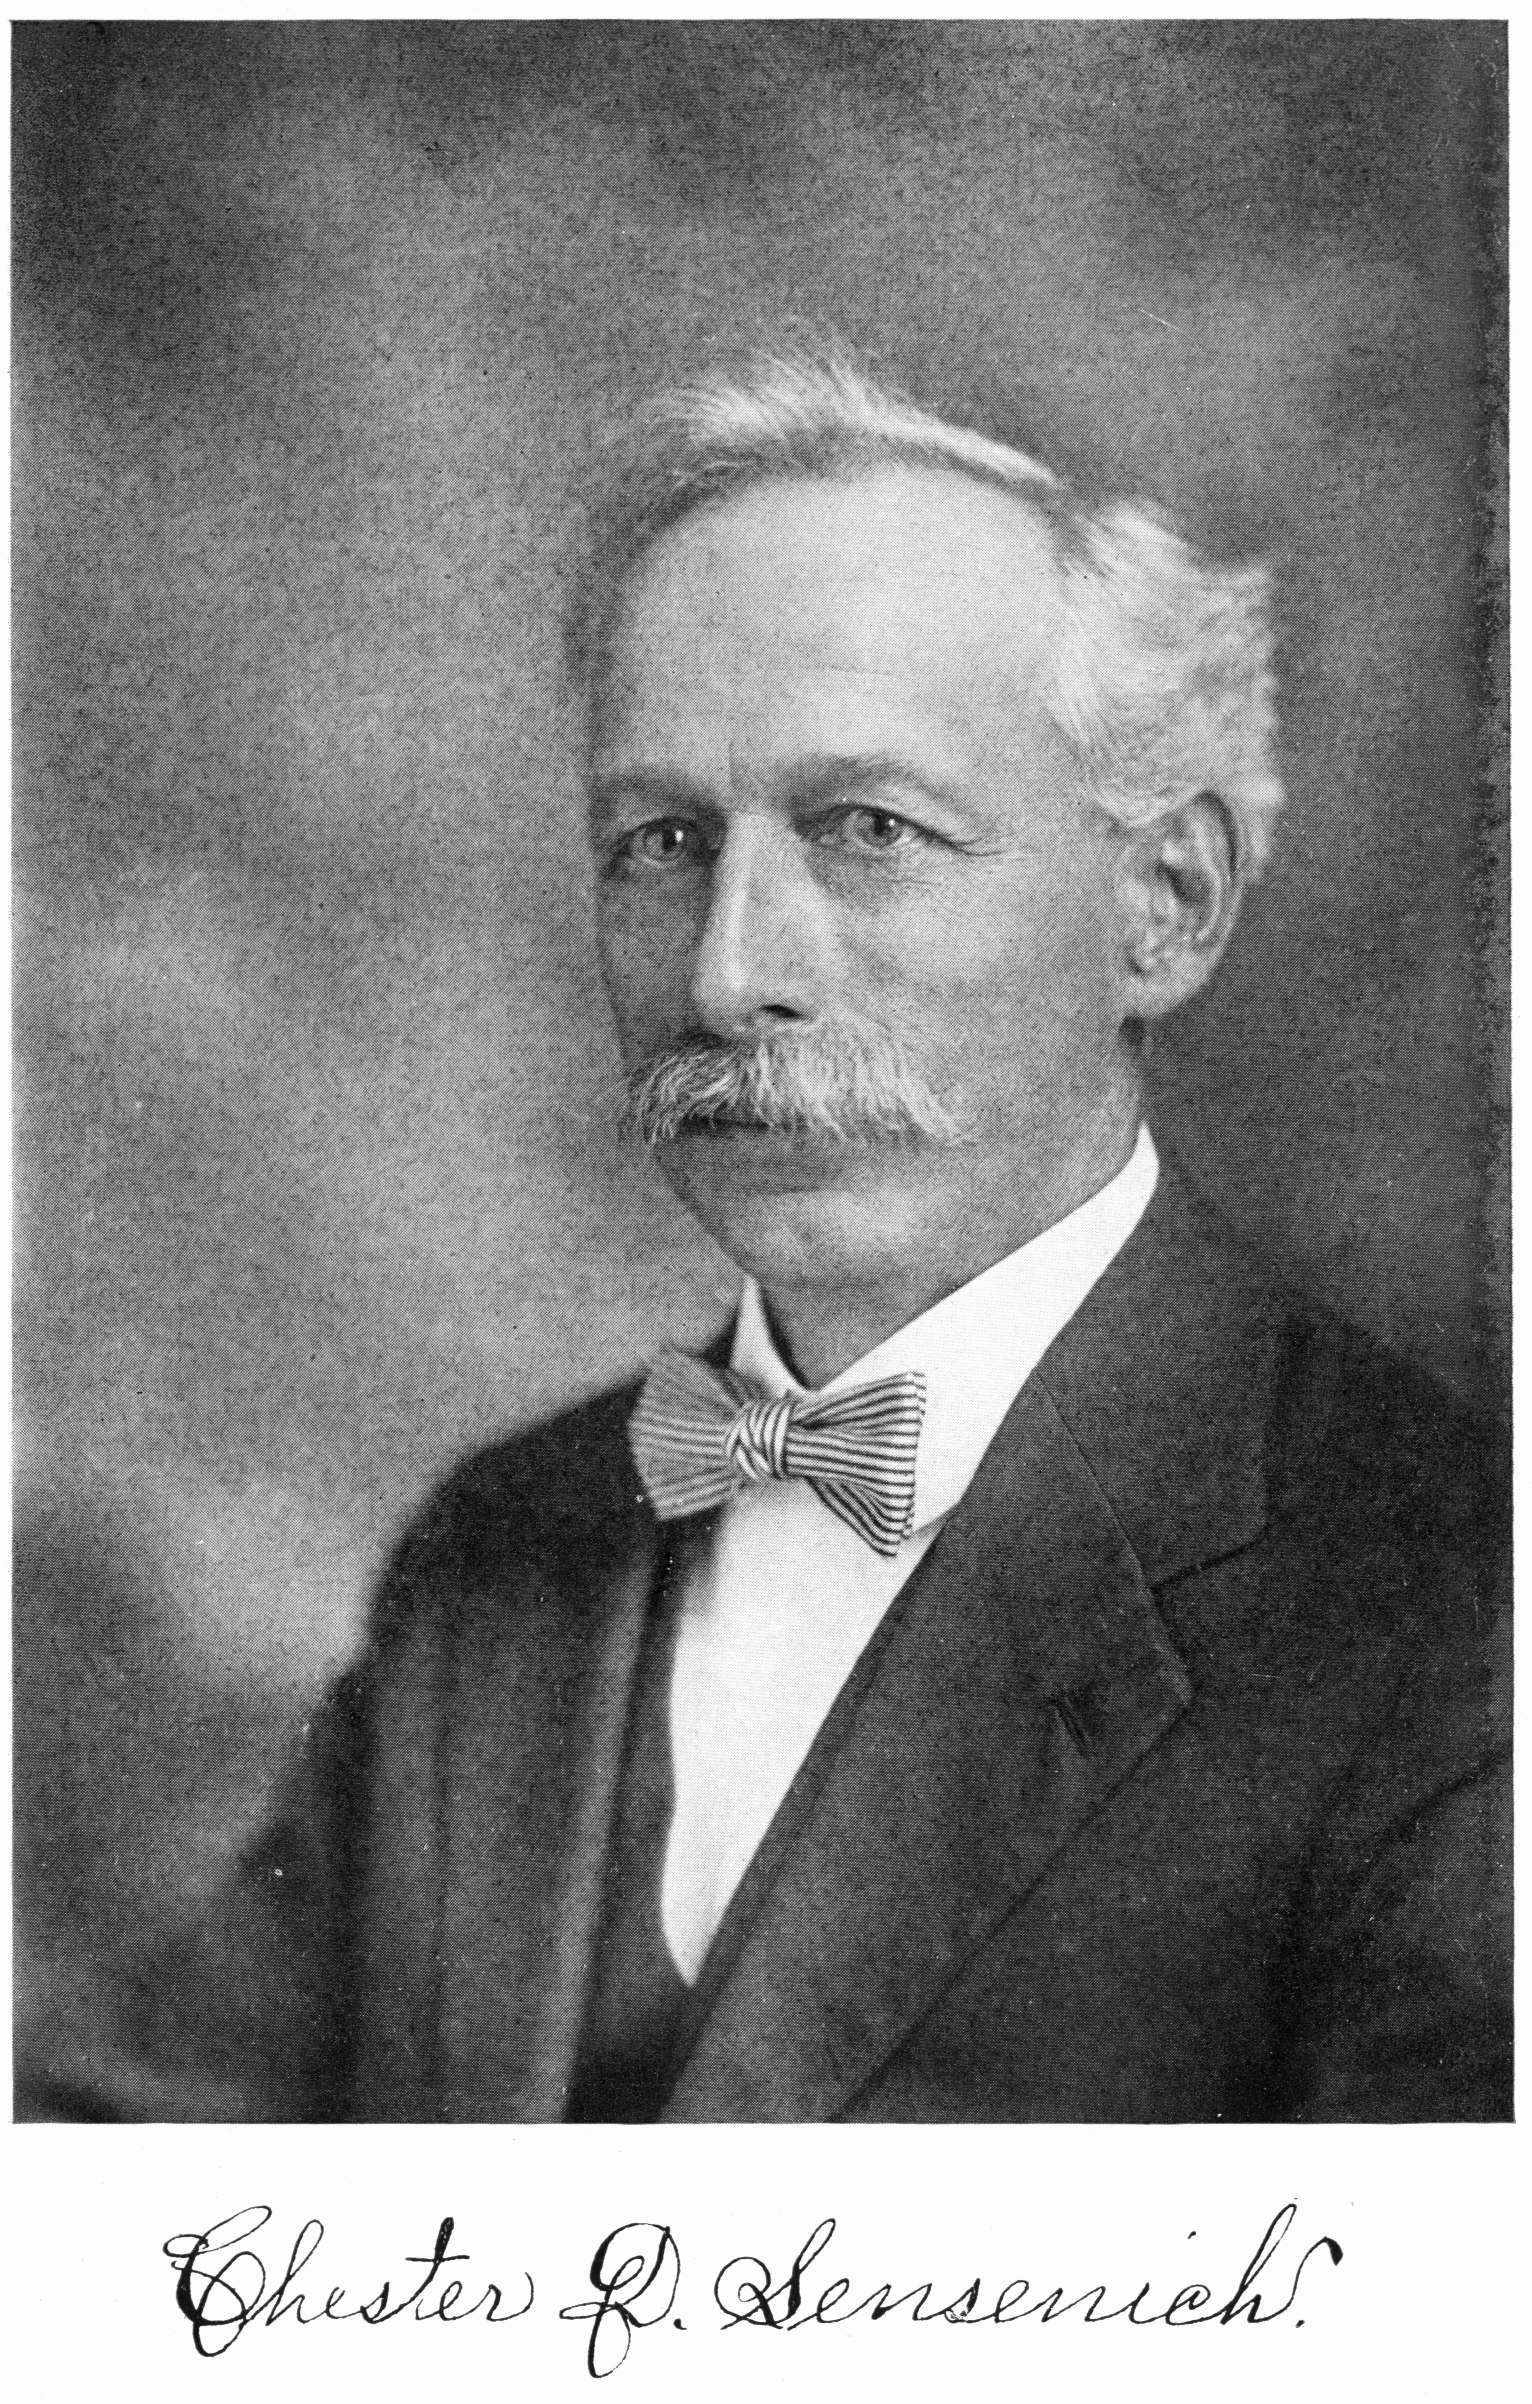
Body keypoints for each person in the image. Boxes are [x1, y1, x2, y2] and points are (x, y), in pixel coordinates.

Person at [48, 354, 1510, 2122]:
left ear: (1166, 904)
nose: (732, 969)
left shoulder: (1444, 1608)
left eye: (868, 830)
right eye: (661, 840)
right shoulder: (501, 1556)